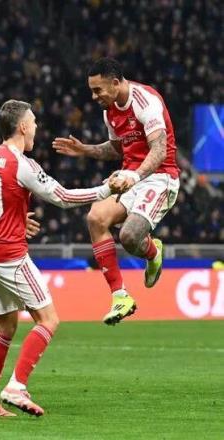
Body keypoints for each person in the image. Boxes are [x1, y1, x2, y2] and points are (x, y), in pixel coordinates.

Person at [0, 100, 112, 417]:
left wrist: (15, 218)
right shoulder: (22, 164)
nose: (36, 127)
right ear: (22, 126)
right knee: (49, 320)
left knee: (5, 327)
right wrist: (105, 190)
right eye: (33, 121)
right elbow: (62, 197)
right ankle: (16, 386)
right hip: (11, 255)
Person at [53, 57, 180, 325]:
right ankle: (120, 296)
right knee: (95, 217)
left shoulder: (145, 101)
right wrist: (85, 150)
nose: (94, 96)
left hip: (160, 178)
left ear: (115, 82)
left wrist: (134, 176)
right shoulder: (109, 110)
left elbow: (159, 149)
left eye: (97, 90)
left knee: (129, 237)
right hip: (130, 176)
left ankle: (152, 252)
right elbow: (117, 149)